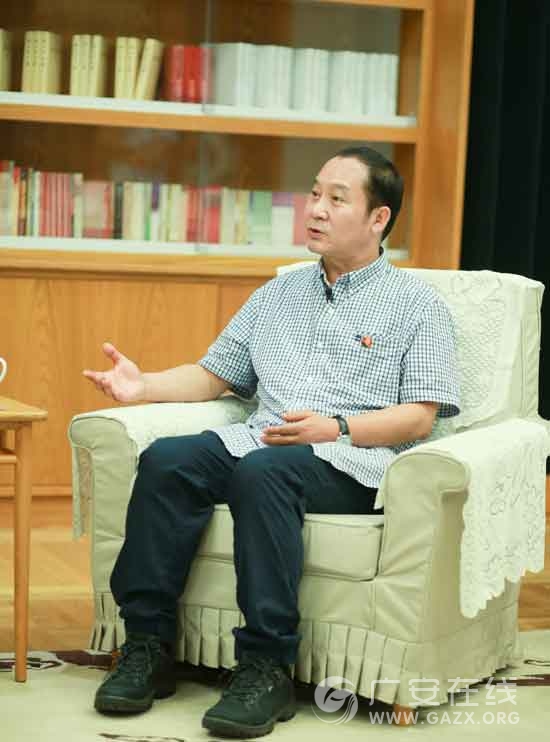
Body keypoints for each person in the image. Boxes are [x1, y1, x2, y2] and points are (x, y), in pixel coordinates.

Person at [83, 145, 460, 738]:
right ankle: (148, 647)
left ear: (378, 218)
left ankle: (266, 666)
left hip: (351, 459)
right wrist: (143, 385)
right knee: (167, 460)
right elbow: (214, 375)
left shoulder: (418, 306)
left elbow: (419, 416)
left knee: (265, 471)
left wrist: (336, 427)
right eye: (314, 194)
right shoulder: (277, 294)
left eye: (336, 199)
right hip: (260, 442)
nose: (315, 209)